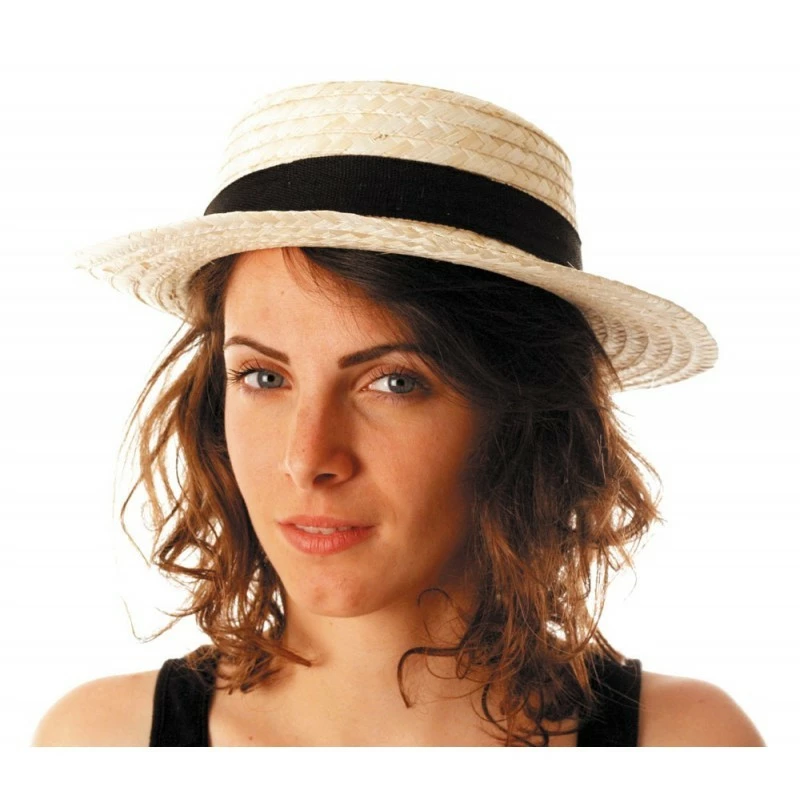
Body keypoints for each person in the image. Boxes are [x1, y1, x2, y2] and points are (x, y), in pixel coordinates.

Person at [33, 80, 764, 747]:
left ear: (524, 415)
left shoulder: (689, 746)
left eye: (394, 382)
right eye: (263, 376)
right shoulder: (98, 746)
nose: (307, 458)